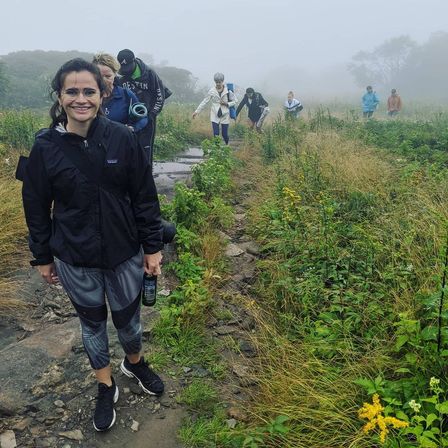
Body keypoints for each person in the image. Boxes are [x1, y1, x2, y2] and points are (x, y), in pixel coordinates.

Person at [21, 58, 164, 432]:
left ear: (103, 94)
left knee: (129, 322)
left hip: (124, 251)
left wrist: (152, 247)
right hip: (74, 256)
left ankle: (133, 362)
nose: (80, 99)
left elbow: (144, 197)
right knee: (93, 324)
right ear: (60, 96)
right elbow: (35, 205)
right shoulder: (46, 147)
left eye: (89, 91)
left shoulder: (123, 137)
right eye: (72, 91)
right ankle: (105, 383)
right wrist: (42, 256)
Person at [116, 49, 168, 166]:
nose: (126, 71)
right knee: (127, 149)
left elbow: (160, 97)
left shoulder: (149, 74)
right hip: (128, 119)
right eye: (123, 68)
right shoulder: (120, 76)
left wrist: (152, 114)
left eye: (128, 67)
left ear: (134, 61)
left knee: (145, 151)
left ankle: (146, 178)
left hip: (148, 116)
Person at [92, 53, 147, 132]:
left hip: (119, 142)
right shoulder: (85, 95)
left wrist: (133, 128)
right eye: (99, 76)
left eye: (108, 76)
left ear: (115, 74)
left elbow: (143, 117)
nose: (103, 80)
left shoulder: (126, 95)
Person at [192, 72, 237, 145]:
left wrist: (227, 104)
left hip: (225, 114)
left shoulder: (228, 91)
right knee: (216, 134)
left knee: (224, 134)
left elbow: (235, 101)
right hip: (215, 114)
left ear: (222, 81)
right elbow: (205, 101)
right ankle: (217, 148)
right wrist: (196, 112)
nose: (218, 84)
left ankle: (227, 145)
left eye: (219, 82)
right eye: (216, 82)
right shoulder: (212, 91)